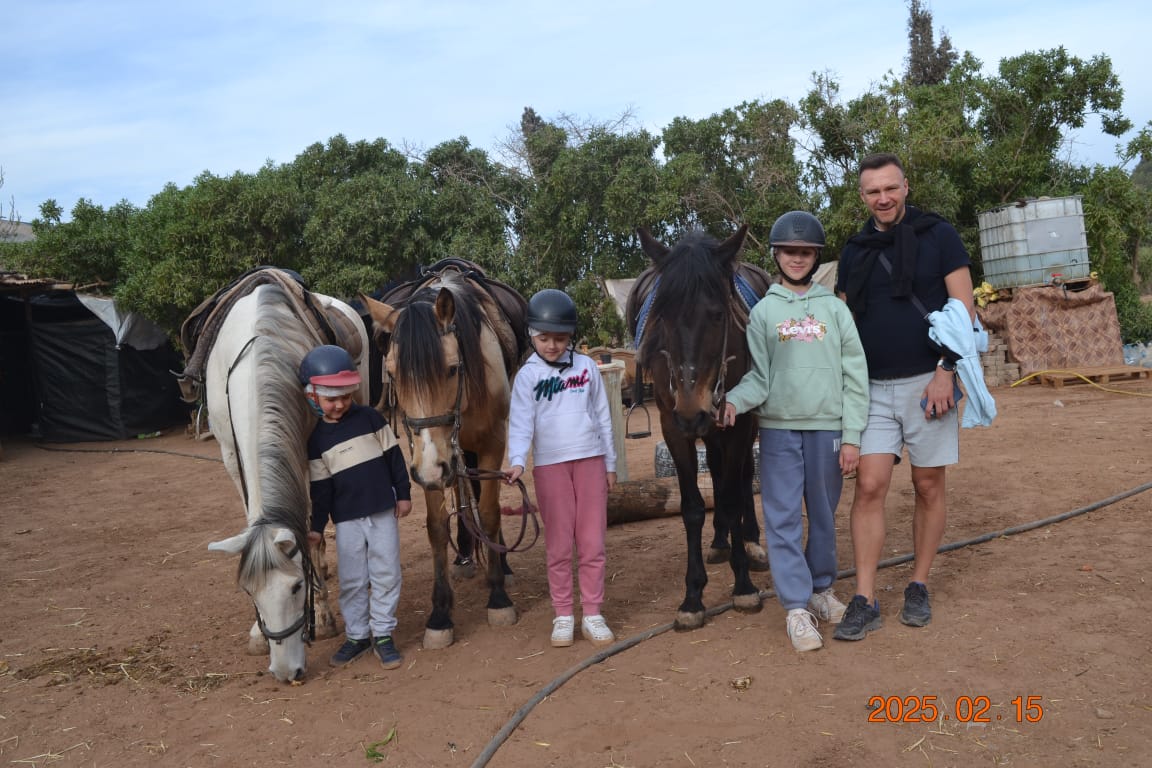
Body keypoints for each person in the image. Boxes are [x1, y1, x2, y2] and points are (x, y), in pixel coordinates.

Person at [832, 152, 976, 642]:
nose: (883, 198)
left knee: (928, 485)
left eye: (890, 188)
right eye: (873, 191)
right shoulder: (854, 249)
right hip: (871, 387)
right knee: (869, 485)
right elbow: (844, 324)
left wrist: (947, 370)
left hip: (928, 380)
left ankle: (918, 584)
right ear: (862, 196)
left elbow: (964, 307)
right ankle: (865, 597)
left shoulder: (939, 235)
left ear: (906, 186)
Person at [720, 211, 869, 652]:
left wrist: (854, 436)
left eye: (805, 252)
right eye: (789, 251)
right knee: (781, 519)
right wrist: (732, 400)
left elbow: (855, 376)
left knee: (823, 516)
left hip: (828, 431)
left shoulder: (835, 310)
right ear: (776, 255)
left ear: (816, 256)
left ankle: (821, 590)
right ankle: (796, 609)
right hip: (780, 432)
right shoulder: (763, 313)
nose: (797, 259)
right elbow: (759, 379)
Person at [503, 289, 618, 649]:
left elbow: (603, 417)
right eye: (544, 338)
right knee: (558, 546)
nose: (552, 345)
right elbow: (521, 423)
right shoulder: (527, 376)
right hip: (551, 467)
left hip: (591, 462)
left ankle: (594, 613)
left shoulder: (586, 367)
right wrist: (518, 460)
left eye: (560, 338)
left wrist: (610, 464)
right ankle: (564, 614)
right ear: (532, 336)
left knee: (592, 542)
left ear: (571, 336)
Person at [300, 344, 413, 669]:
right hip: (347, 520)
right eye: (331, 399)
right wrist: (317, 527)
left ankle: (383, 634)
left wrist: (403, 494)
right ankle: (357, 635)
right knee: (351, 579)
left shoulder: (371, 418)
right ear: (312, 397)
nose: (339, 405)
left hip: (382, 511)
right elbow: (321, 490)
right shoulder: (317, 441)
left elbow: (394, 458)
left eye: (345, 396)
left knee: (386, 572)